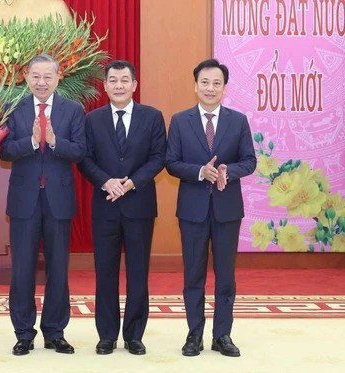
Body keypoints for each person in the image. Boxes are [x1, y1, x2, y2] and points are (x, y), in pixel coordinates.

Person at [166, 58, 257, 358]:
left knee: (225, 276)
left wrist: (228, 171)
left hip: (227, 210)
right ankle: (194, 334)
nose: (210, 88)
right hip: (192, 210)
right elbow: (171, 162)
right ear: (195, 86)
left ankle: (223, 335)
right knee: (193, 275)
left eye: (216, 83)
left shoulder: (238, 121)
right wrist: (199, 171)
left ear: (224, 88)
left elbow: (250, 160)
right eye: (205, 82)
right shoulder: (180, 121)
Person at [0, 54, 86, 356]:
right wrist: (33, 142)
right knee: (22, 269)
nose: (41, 82)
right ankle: (23, 333)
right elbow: (4, 152)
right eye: (36, 76)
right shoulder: (14, 109)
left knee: (58, 269)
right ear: (26, 76)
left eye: (48, 76)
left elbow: (80, 152)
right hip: (24, 201)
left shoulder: (73, 110)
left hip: (59, 201)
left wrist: (55, 141)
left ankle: (55, 332)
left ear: (58, 78)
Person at [78, 60, 166, 356]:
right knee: (105, 273)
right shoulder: (92, 120)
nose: (118, 85)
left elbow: (158, 157)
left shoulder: (152, 117)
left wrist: (131, 183)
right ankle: (106, 335)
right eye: (113, 80)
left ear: (134, 85)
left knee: (138, 272)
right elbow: (85, 159)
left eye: (124, 80)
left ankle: (134, 335)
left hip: (139, 205)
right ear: (105, 86)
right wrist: (106, 182)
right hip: (105, 206)